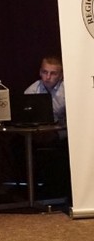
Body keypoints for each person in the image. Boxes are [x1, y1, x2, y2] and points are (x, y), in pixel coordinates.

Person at [24, 55, 70, 198]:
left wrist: (57, 135)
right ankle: (34, 192)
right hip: (37, 134)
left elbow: (75, 122)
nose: (48, 77)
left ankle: (62, 191)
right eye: (45, 72)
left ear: (61, 75)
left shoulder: (68, 91)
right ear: (40, 72)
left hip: (63, 135)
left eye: (53, 73)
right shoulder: (32, 91)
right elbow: (24, 118)